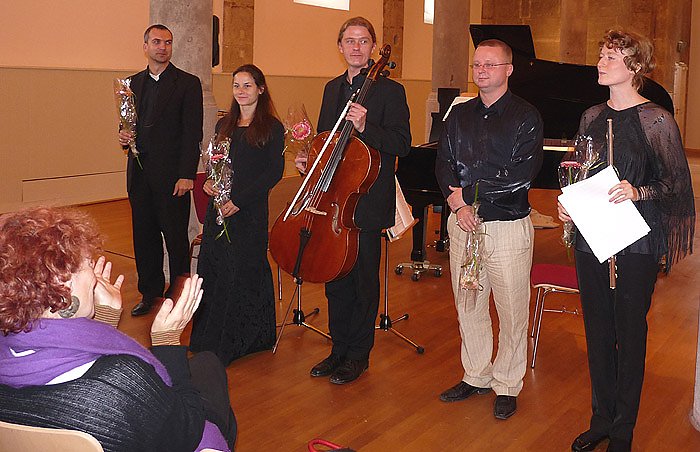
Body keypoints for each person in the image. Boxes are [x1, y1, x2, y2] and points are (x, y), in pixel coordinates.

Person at [0, 207, 237, 452]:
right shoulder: (120, 382)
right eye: (87, 264)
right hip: (183, 432)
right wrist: (167, 342)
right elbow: (187, 429)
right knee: (210, 366)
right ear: (64, 284)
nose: (94, 276)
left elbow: (66, 371)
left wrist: (104, 319)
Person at [557, 30, 695, 452]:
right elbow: (580, 173)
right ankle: (601, 419)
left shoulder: (657, 120)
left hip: (636, 244)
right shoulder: (590, 116)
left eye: (611, 57)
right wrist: (569, 204)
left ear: (634, 67)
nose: (600, 63)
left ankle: (623, 429)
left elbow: (677, 186)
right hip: (592, 239)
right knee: (597, 330)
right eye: (601, 55)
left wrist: (639, 191)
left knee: (630, 333)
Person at [295, 17, 411, 385]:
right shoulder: (332, 89)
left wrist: (366, 127)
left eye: (363, 41)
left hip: (367, 203)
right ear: (340, 46)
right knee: (335, 279)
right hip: (333, 201)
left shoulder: (391, 92)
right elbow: (326, 140)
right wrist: (309, 157)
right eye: (350, 40)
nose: (356, 47)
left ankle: (359, 354)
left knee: (362, 281)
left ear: (373, 47)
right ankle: (338, 349)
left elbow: (402, 144)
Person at [435, 39, 543, 419]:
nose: (481, 71)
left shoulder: (526, 116)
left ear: (508, 70)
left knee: (511, 310)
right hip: (463, 224)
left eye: (490, 65)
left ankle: (508, 383)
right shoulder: (459, 114)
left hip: (506, 226)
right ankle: (477, 374)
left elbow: (519, 175)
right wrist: (457, 205)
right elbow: (443, 163)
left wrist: (467, 196)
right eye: (477, 64)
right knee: (469, 304)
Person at [189, 64, 284, 365]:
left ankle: (242, 340)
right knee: (215, 269)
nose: (241, 91)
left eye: (247, 85)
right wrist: (209, 183)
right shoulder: (224, 125)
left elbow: (274, 172)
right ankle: (208, 339)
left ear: (260, 89)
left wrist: (239, 201)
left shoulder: (272, 128)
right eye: (236, 86)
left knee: (242, 271)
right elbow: (216, 165)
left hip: (249, 210)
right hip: (219, 209)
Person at [118, 24, 203, 317]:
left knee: (176, 238)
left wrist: (187, 174)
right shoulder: (131, 83)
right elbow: (127, 125)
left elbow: (193, 133)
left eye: (167, 42)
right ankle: (149, 293)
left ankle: (178, 293)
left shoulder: (188, 83)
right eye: (156, 42)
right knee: (144, 237)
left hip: (173, 177)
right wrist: (123, 136)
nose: (162, 47)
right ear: (145, 46)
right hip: (140, 176)